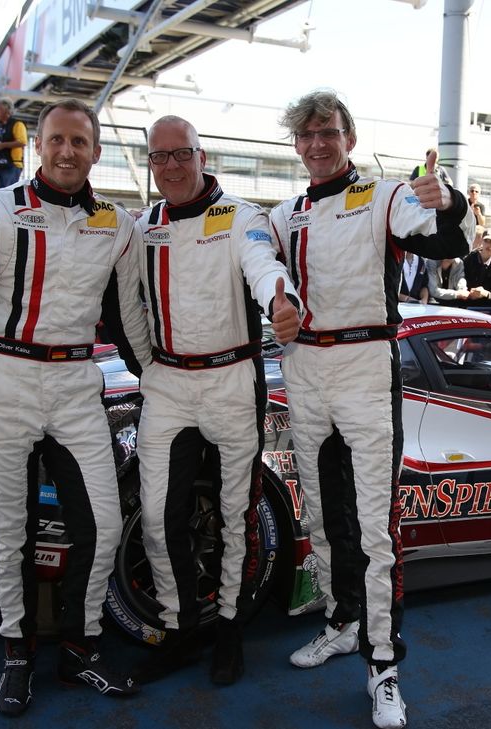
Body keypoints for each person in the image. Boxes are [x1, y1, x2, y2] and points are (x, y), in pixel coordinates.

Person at [0, 99, 151, 716]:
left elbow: (128, 318)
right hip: (5, 381)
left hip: (76, 385)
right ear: (38, 145)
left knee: (103, 524)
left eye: (79, 141)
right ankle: (16, 653)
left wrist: (159, 372)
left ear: (95, 152)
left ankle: (80, 649)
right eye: (57, 140)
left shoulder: (119, 224)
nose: (67, 151)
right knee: (9, 530)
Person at [268, 89, 473, 729]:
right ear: (296, 145)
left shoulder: (386, 195)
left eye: (327, 132)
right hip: (304, 371)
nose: (317, 144)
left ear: (349, 139)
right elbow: (256, 278)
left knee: (375, 527)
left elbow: (446, 242)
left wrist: (449, 201)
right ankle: (340, 621)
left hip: (365, 371)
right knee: (323, 516)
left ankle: (383, 665)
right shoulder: (283, 213)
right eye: (306, 135)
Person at [129, 115, 300, 687]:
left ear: (202, 157)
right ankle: (178, 629)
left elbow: (264, 267)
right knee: (158, 517)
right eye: (160, 157)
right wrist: (149, 366)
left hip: (232, 380)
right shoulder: (143, 227)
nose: (172, 166)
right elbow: (124, 304)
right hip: (168, 386)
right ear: (151, 164)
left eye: (182, 154)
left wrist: (282, 300)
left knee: (235, 516)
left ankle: (229, 627)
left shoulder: (241, 217)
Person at [0, 97, 28, 187]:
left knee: (8, 191)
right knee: (2, 192)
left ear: (7, 110)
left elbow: (22, 142)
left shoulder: (17, 124)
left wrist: (2, 145)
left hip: (13, 164)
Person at [462, 229, 491, 309]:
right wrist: (469, 292)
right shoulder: (469, 259)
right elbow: (462, 281)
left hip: (489, 308)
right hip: (468, 305)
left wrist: (485, 293)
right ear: (482, 241)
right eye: (486, 241)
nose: (488, 245)